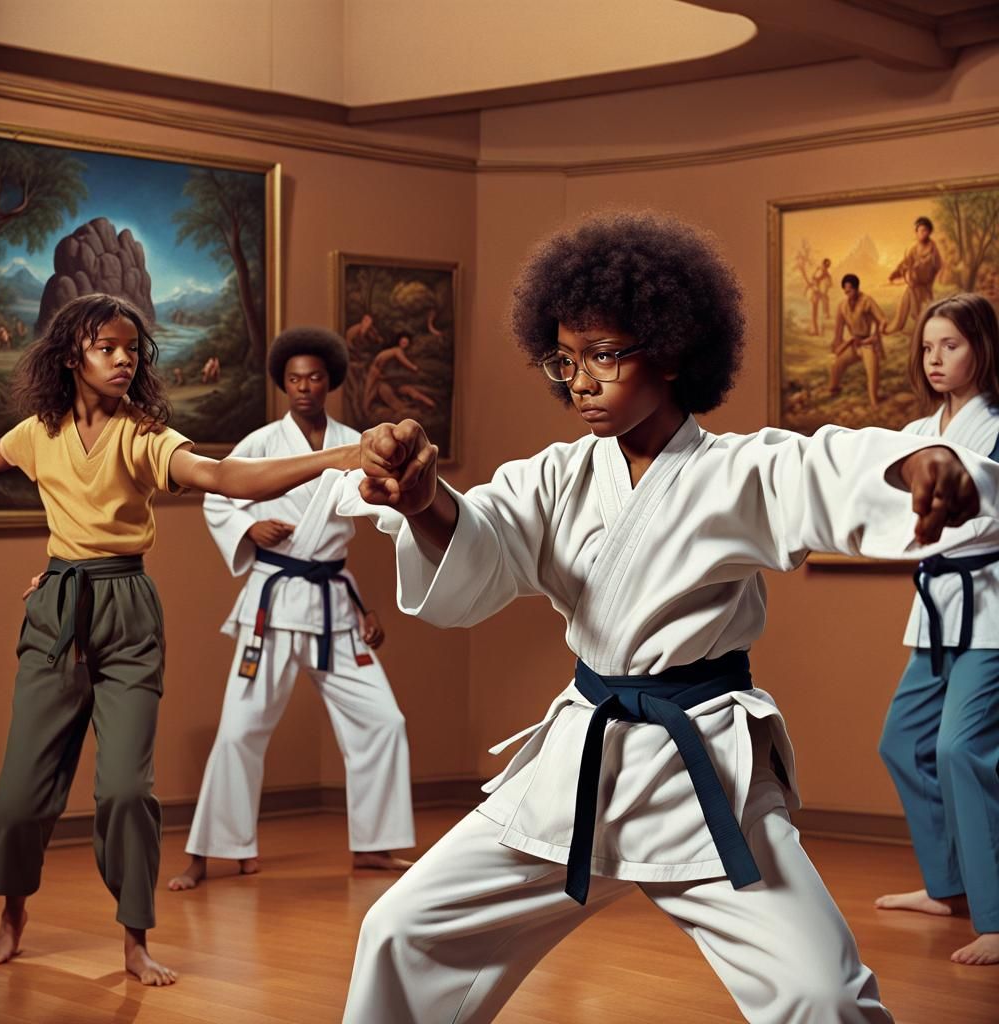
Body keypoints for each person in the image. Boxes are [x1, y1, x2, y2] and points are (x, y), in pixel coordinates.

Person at [338, 211, 999, 1024]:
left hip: (701, 771)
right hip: (580, 765)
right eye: (565, 359)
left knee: (818, 993)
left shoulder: (740, 472)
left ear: (675, 350)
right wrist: (425, 499)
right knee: (401, 929)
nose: (579, 381)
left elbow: (831, 468)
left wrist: (925, 463)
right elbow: (484, 547)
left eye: (605, 356)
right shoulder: (554, 477)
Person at [0, 294, 359, 985]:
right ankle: (12, 916)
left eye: (132, 350)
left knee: (125, 791)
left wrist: (339, 458)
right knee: (21, 793)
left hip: (126, 612)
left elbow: (223, 477)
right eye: (107, 348)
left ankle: (135, 939)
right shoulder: (39, 431)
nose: (125, 360)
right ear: (72, 357)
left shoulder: (144, 434)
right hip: (58, 609)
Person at [167, 327, 414, 893]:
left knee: (384, 721)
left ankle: (375, 847)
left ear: (330, 382)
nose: (305, 387)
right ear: (283, 384)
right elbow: (217, 493)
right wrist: (248, 525)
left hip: (332, 601)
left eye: (315, 378)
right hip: (273, 603)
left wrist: (363, 606)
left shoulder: (356, 441)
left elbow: (380, 509)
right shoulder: (258, 442)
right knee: (239, 729)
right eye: (295, 379)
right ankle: (213, 852)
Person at [877, 292, 999, 966]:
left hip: (993, 609)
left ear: (982, 347)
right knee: (902, 743)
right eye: (928, 347)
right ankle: (947, 886)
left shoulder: (998, 427)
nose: (936, 359)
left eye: (950, 345)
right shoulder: (919, 434)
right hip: (936, 608)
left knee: (961, 751)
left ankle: (998, 914)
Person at [829, 273, 889, 408]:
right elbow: (838, 331)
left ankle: (874, 401)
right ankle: (834, 389)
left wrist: (878, 332)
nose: (847, 294)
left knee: (872, 371)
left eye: (849, 291)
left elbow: (882, 318)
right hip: (854, 344)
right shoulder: (842, 306)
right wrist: (837, 347)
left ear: (856, 289)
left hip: (868, 343)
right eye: (845, 291)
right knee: (837, 364)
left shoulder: (867, 300)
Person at [888, 216, 943, 334]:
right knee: (905, 306)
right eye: (920, 230)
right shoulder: (914, 249)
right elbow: (905, 263)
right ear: (916, 232)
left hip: (924, 286)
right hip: (913, 285)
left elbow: (937, 266)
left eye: (925, 230)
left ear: (929, 232)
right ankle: (894, 328)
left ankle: (926, 331)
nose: (922, 233)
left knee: (923, 312)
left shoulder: (933, 250)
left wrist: (924, 277)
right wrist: (895, 274)